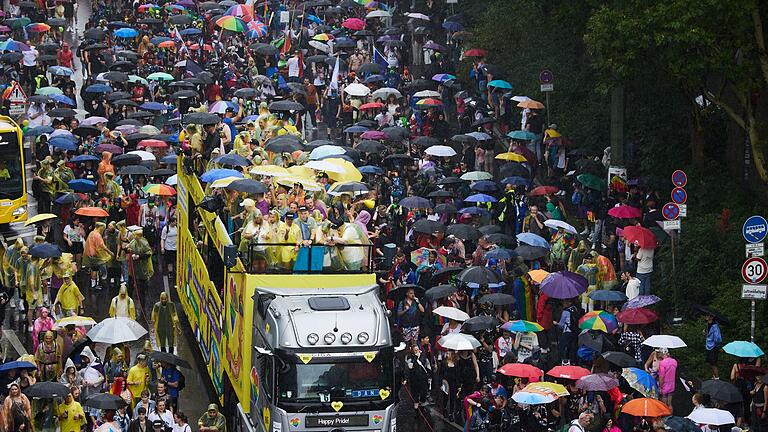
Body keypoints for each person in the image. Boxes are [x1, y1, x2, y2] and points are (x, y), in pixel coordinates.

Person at [704, 313, 723, 379]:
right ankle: (714, 376)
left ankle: (717, 378)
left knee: (713, 363)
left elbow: (718, 338)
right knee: (710, 362)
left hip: (713, 346)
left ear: (711, 317)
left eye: (707, 315)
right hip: (708, 346)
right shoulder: (707, 324)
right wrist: (705, 333)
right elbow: (708, 335)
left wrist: (717, 345)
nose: (706, 316)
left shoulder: (714, 326)